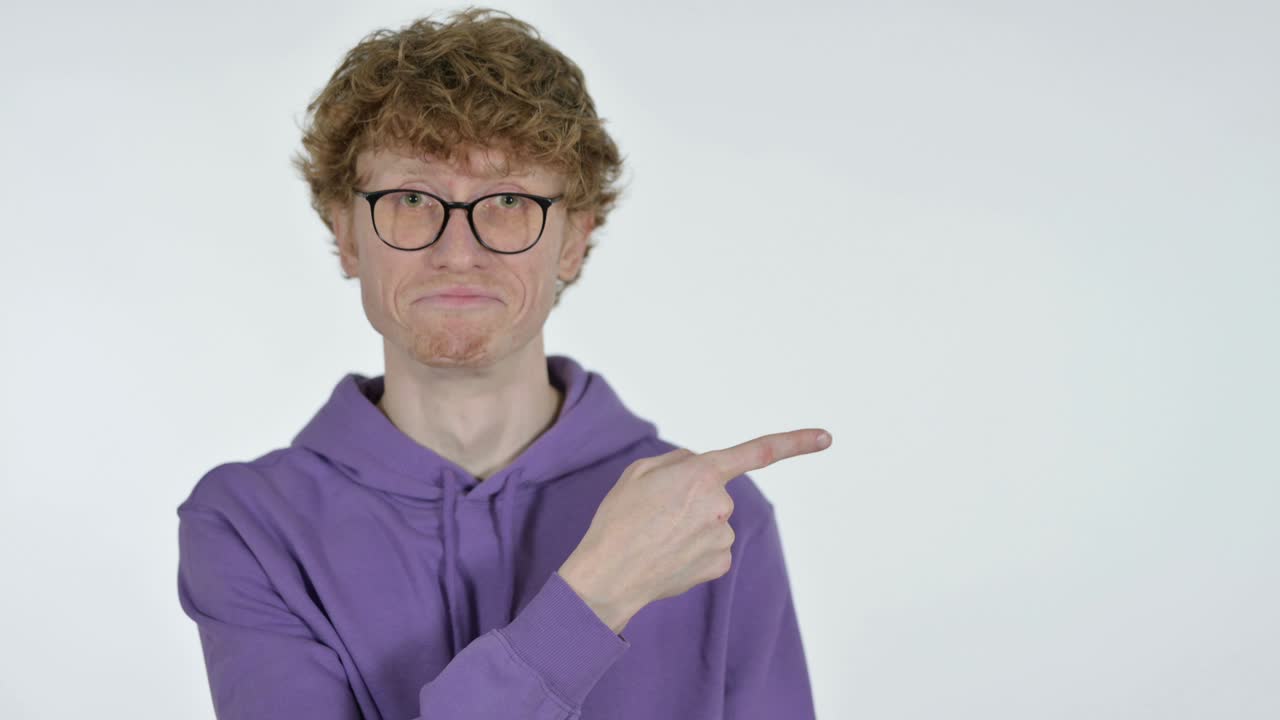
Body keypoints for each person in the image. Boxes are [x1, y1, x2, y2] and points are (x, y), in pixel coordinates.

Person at [175, 7, 833, 719]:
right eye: (412, 199)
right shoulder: (251, 525)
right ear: (347, 235)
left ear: (575, 240)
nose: (459, 251)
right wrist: (597, 595)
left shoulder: (707, 522)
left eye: (511, 201)